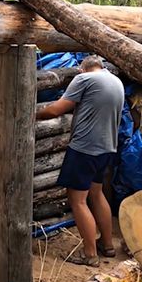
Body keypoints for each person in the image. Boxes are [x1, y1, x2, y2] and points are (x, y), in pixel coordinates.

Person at [36, 55, 124, 267]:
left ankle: (89, 254)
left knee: (78, 200)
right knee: (97, 193)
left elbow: (57, 109)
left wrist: (31, 114)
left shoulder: (84, 79)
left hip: (85, 148)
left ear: (81, 69)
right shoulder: (115, 81)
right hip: (107, 148)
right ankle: (107, 244)